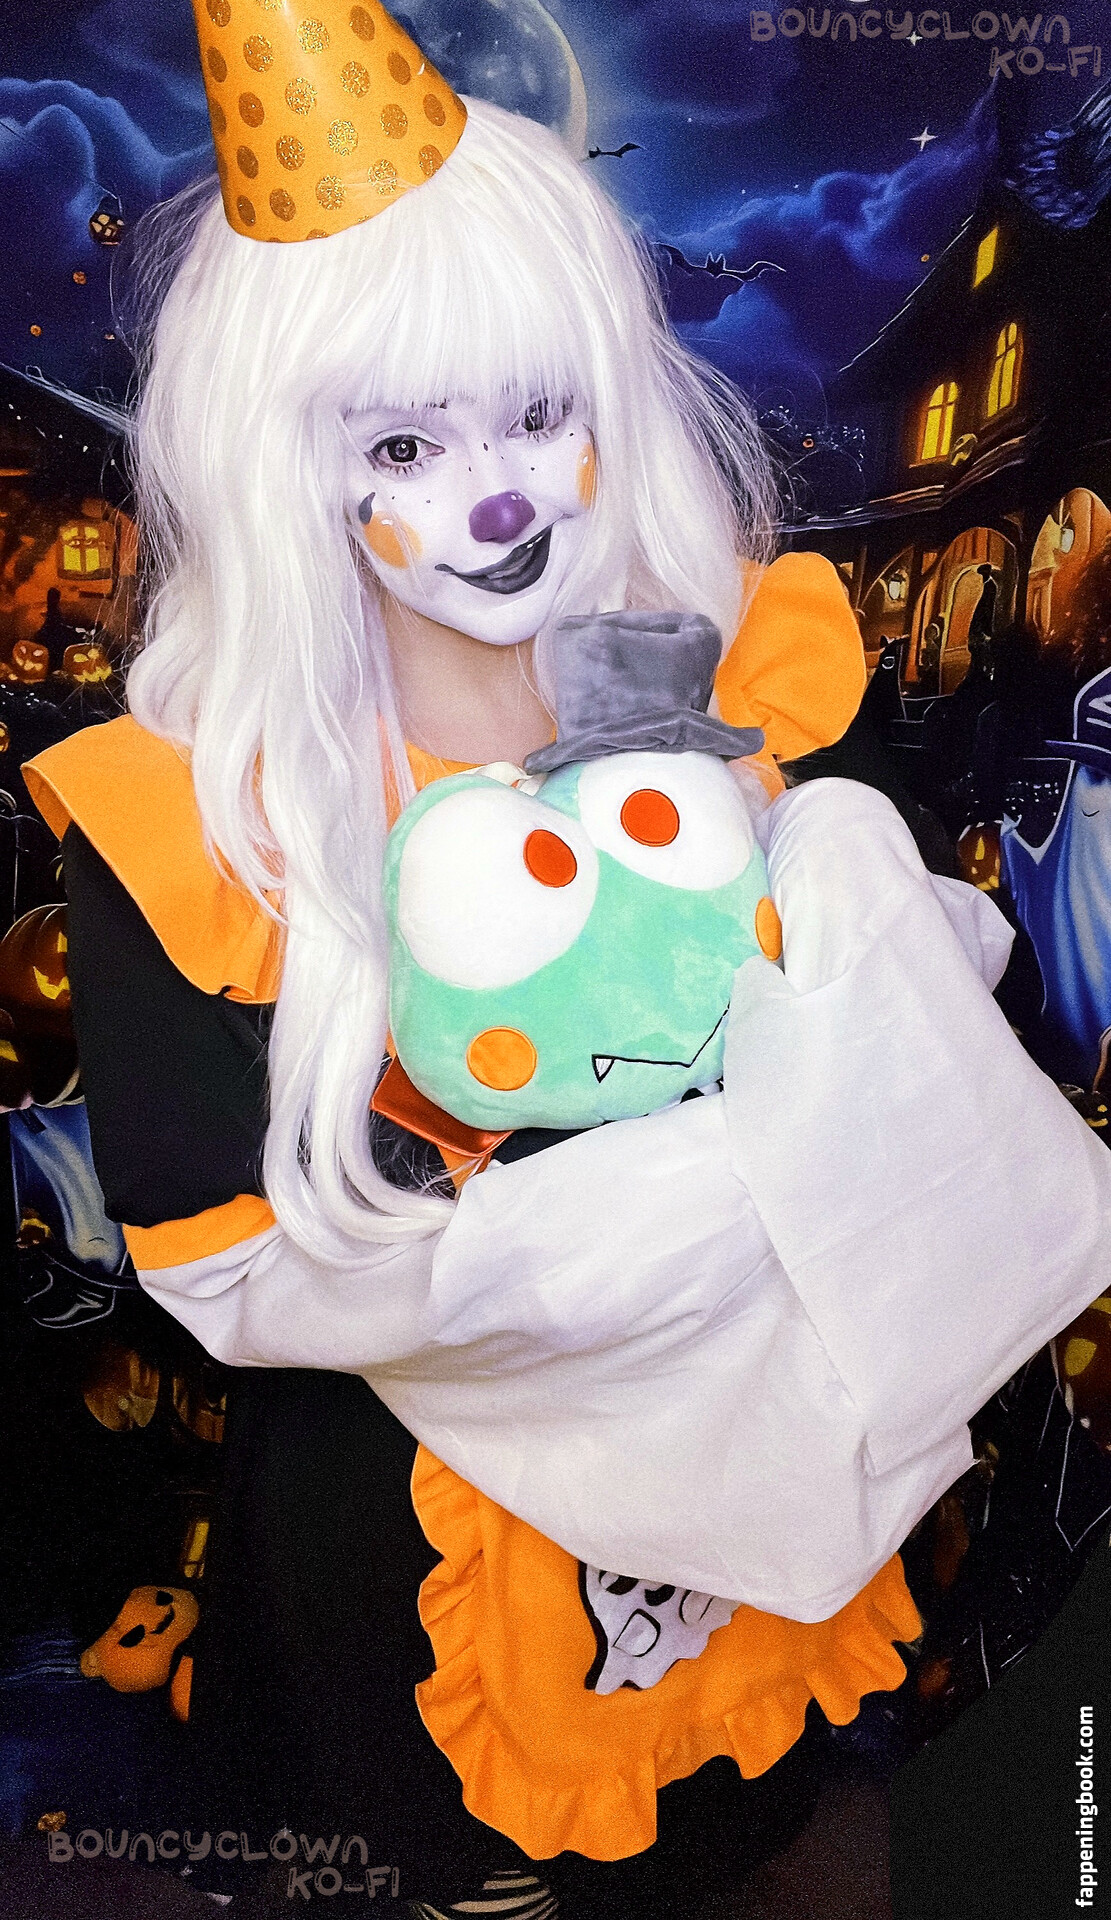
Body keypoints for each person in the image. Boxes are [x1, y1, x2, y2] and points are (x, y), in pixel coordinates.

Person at [20, 4, 1111, 1911]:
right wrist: (672, 1205)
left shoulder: (753, 683)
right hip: (413, 1588)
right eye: (405, 443)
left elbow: (945, 1047)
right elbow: (216, 1253)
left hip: (773, 1531)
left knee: (757, 1856)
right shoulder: (203, 822)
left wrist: (860, 927)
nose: (499, 497)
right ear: (287, 469)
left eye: (539, 414)